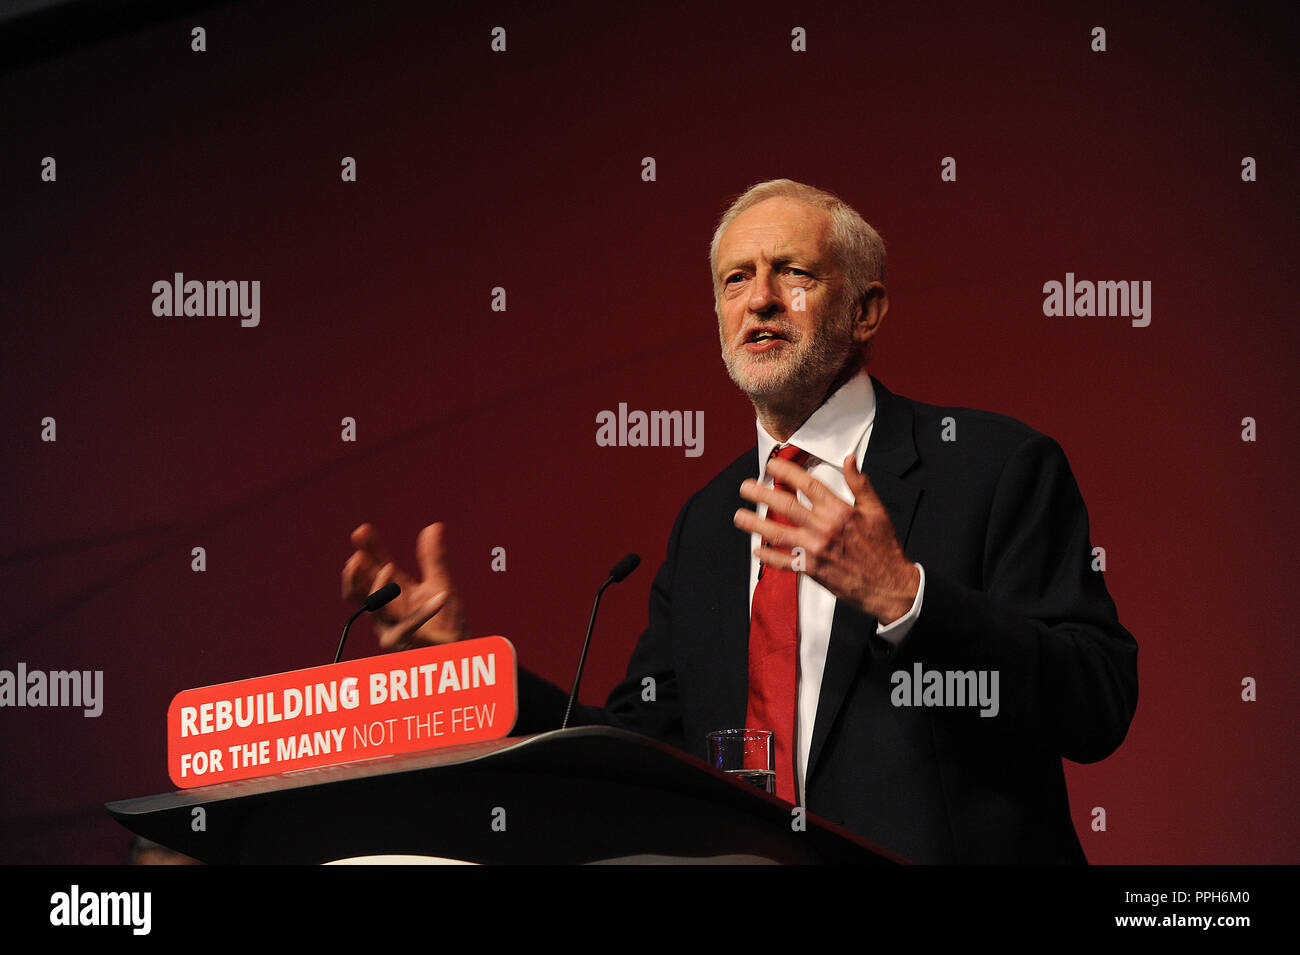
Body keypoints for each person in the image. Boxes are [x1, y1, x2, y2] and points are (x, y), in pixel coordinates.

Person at [341, 179, 1138, 864]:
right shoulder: (705, 528)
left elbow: (1098, 700)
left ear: (866, 309)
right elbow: (637, 751)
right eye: (735, 279)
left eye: (792, 272)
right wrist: (474, 673)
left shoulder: (995, 467)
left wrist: (907, 596)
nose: (759, 298)